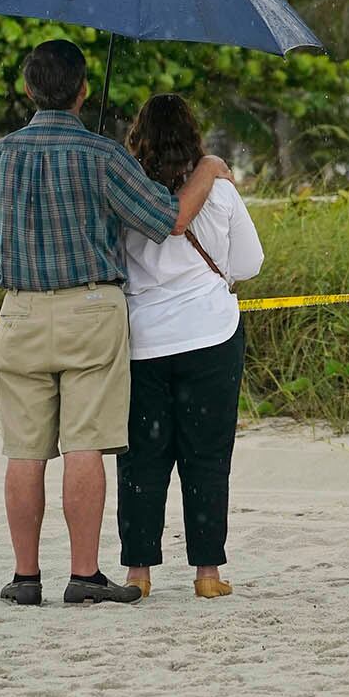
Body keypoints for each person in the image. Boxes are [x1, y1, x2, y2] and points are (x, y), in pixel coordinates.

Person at [0, 40, 232, 608]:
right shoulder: (102, 156)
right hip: (90, 308)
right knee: (84, 445)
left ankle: (24, 578)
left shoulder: (1, 154)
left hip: (19, 309)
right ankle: (85, 574)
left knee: (24, 450)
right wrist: (210, 169)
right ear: (84, 90)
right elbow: (168, 219)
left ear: (27, 89)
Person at [116, 93, 264, 600]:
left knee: (141, 459)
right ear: (194, 138)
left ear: (139, 139)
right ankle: (206, 572)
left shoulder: (128, 193)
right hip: (211, 336)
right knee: (206, 457)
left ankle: (138, 571)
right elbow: (249, 263)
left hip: (143, 341)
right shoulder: (219, 191)